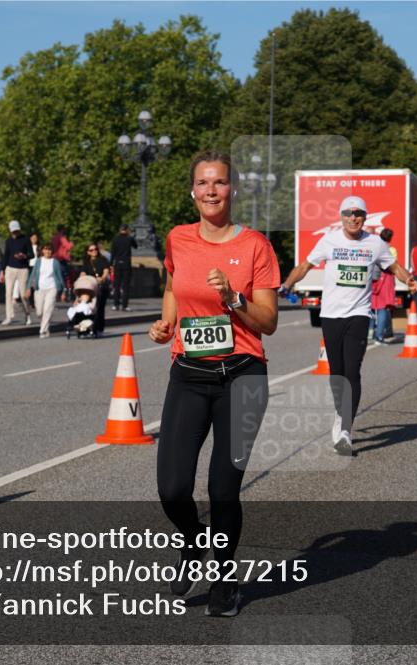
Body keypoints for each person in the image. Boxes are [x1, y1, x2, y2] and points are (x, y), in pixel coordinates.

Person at [149, 150, 280, 617]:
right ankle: (192, 543)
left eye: (219, 182)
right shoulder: (178, 238)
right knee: (172, 489)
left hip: (242, 375)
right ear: (193, 191)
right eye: (203, 182)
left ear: (233, 189)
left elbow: (268, 322)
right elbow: (173, 287)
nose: (211, 190)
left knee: (223, 490)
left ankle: (225, 581)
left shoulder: (255, 246)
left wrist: (233, 297)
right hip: (189, 374)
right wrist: (166, 323)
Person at [282, 196, 416, 454]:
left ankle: (345, 428)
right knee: (337, 372)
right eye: (348, 213)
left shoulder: (375, 243)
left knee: (352, 371)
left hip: (359, 314)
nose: (353, 218)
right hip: (331, 315)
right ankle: (339, 413)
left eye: (358, 214)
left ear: (365, 217)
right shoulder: (329, 240)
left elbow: (394, 267)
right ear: (341, 216)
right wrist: (287, 284)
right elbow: (305, 265)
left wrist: (408, 279)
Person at [26, 244, 65, 338]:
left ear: (52, 251)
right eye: (46, 249)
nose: (48, 251)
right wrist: (28, 287)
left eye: (49, 250)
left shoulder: (55, 262)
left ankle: (42, 330)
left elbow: (59, 277)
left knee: (47, 309)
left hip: (52, 288)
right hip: (39, 289)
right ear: (42, 251)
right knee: (39, 312)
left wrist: (63, 291)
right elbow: (33, 274)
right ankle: (46, 327)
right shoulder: (39, 261)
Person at [0, 220, 34, 326]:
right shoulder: (8, 241)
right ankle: (9, 316)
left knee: (23, 295)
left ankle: (27, 315)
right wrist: (2, 271)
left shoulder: (26, 239)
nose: (15, 233)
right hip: (10, 269)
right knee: (8, 293)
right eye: (13, 231)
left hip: (23, 269)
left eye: (16, 231)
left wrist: (24, 256)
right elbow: (6, 256)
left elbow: (32, 254)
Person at [370, 228, 399, 345]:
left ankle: (371, 331)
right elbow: (394, 266)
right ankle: (379, 336)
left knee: (372, 306)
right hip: (386, 280)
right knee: (383, 308)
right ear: (390, 238)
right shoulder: (391, 250)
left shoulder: (374, 248)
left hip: (374, 279)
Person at [80, 242, 111, 338]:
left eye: (95, 249)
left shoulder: (103, 260)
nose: (94, 251)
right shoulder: (86, 261)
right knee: (88, 308)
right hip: (90, 287)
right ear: (88, 252)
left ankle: (99, 329)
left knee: (100, 309)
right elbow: (83, 272)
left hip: (101, 287)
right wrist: (82, 278)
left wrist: (102, 278)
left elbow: (106, 271)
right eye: (91, 250)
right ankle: (87, 328)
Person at [111, 224, 137, 311]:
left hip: (117, 264)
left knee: (117, 285)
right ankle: (124, 305)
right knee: (125, 286)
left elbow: (113, 252)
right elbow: (135, 246)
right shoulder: (129, 238)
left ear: (120, 229)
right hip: (126, 264)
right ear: (127, 230)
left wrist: (111, 264)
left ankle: (116, 304)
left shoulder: (115, 239)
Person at [51, 225, 74, 302]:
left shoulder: (54, 237)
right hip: (61, 259)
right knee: (65, 277)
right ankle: (64, 294)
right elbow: (68, 246)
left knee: (56, 276)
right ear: (62, 229)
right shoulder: (62, 237)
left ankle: (57, 294)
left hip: (54, 258)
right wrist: (71, 243)